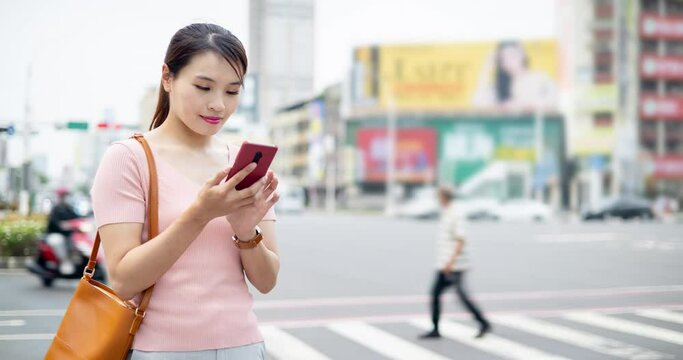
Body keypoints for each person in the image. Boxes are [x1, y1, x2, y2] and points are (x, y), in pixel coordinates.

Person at [90, 23, 280, 359]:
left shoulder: (244, 164)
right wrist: (200, 214)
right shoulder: (128, 159)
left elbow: (266, 281)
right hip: (161, 350)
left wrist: (245, 230)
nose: (218, 105)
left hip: (245, 347)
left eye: (232, 92)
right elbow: (122, 280)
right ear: (167, 77)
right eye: (204, 87)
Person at [419, 185, 491, 339]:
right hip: (445, 263)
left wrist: (450, 263)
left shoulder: (456, 214)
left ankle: (483, 323)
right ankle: (436, 328)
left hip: (454, 265)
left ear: (444, 196)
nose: (437, 199)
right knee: (437, 294)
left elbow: (460, 239)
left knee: (459, 295)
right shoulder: (447, 212)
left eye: (438, 196)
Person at [472, 40, 557, 112]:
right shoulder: (500, 87)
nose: (511, 60)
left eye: (513, 55)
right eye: (505, 58)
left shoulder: (539, 77)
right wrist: (486, 69)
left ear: (523, 54)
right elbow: (478, 104)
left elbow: (553, 101)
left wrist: (524, 105)